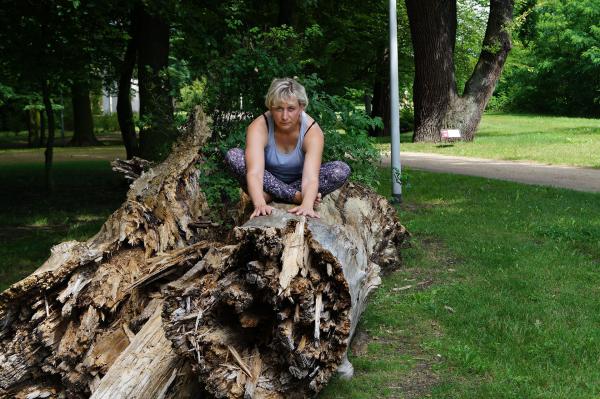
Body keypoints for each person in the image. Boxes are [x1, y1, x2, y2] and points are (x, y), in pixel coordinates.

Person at [225, 78, 350, 219]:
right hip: (265, 183)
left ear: (301, 107)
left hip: (299, 183)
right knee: (234, 156)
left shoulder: (312, 131)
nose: (284, 116)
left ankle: (274, 196)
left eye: (291, 109)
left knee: (340, 169)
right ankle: (292, 196)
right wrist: (260, 204)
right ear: (271, 107)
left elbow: (310, 178)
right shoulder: (259, 127)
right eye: (279, 108)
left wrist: (307, 205)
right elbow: (255, 173)